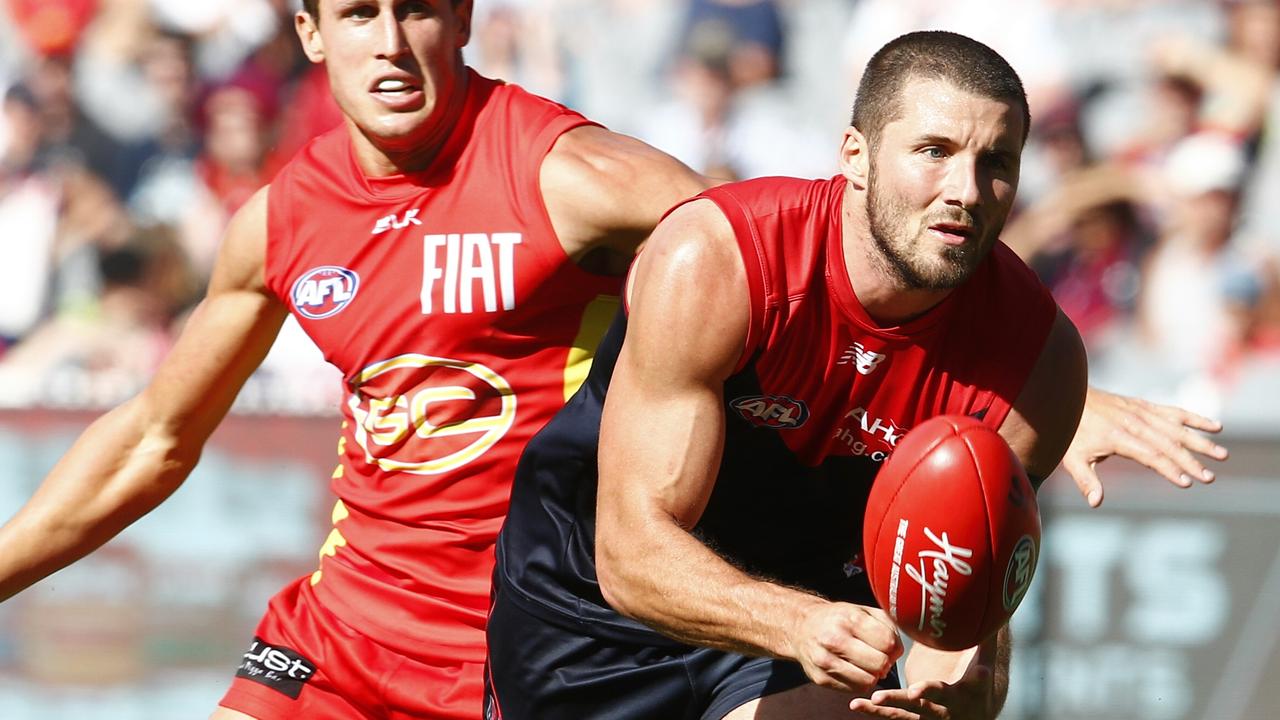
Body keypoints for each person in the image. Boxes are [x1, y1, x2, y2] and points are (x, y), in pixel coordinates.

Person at [0, 6, 1224, 720]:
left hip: (511, 652)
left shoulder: (570, 173)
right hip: (343, 633)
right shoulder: (278, 221)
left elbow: (792, 273)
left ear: (465, 13)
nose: (393, 41)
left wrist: (1048, 405)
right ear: (306, 27)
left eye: (420, 5)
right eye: (358, 9)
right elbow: (155, 438)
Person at [485, 30, 1222, 720]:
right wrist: (800, 622)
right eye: (934, 151)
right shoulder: (721, 260)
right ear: (856, 157)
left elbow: (954, 594)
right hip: (589, 615)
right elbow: (631, 555)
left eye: (997, 162)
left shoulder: (1038, 359)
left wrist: (967, 688)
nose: (967, 188)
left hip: (813, 624)